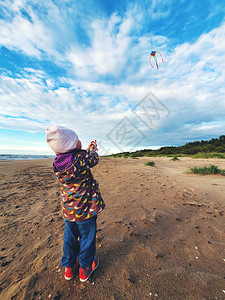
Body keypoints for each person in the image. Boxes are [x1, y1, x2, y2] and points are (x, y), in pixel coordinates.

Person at [45, 125, 105, 282]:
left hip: (68, 210)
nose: (79, 141)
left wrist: (84, 150)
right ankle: (86, 267)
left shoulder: (58, 162)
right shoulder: (82, 159)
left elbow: (75, 160)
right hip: (86, 209)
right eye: (76, 140)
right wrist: (92, 150)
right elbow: (93, 160)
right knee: (87, 236)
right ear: (71, 146)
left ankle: (69, 267)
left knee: (70, 237)